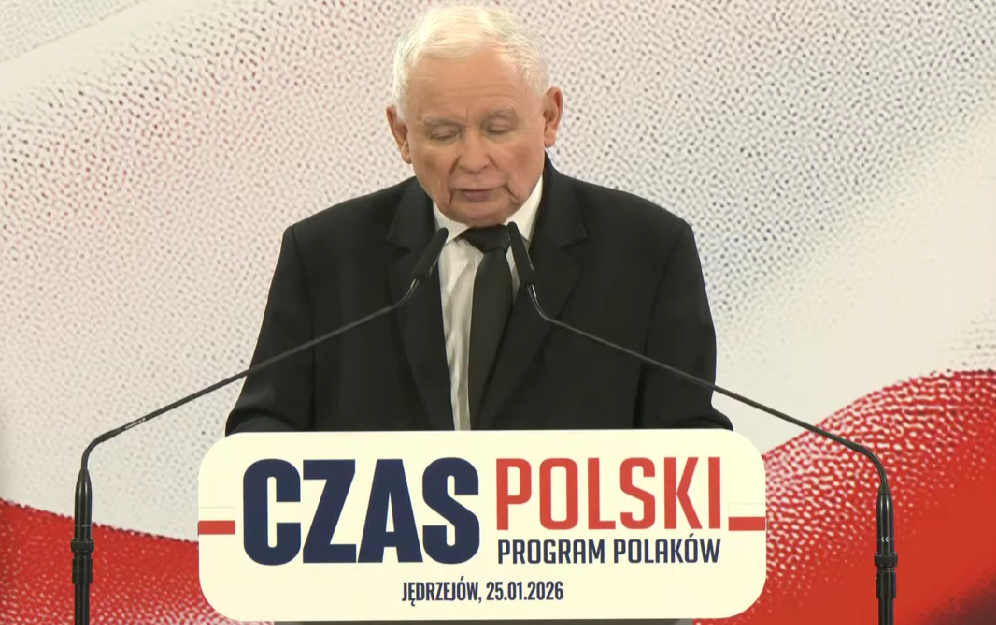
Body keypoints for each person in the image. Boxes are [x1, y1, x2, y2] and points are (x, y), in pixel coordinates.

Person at [225, 5, 731, 436]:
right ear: (401, 134)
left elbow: (690, 444)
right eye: (443, 134)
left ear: (549, 117)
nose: (472, 159)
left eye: (498, 128)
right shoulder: (324, 256)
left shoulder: (649, 251)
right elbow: (261, 431)